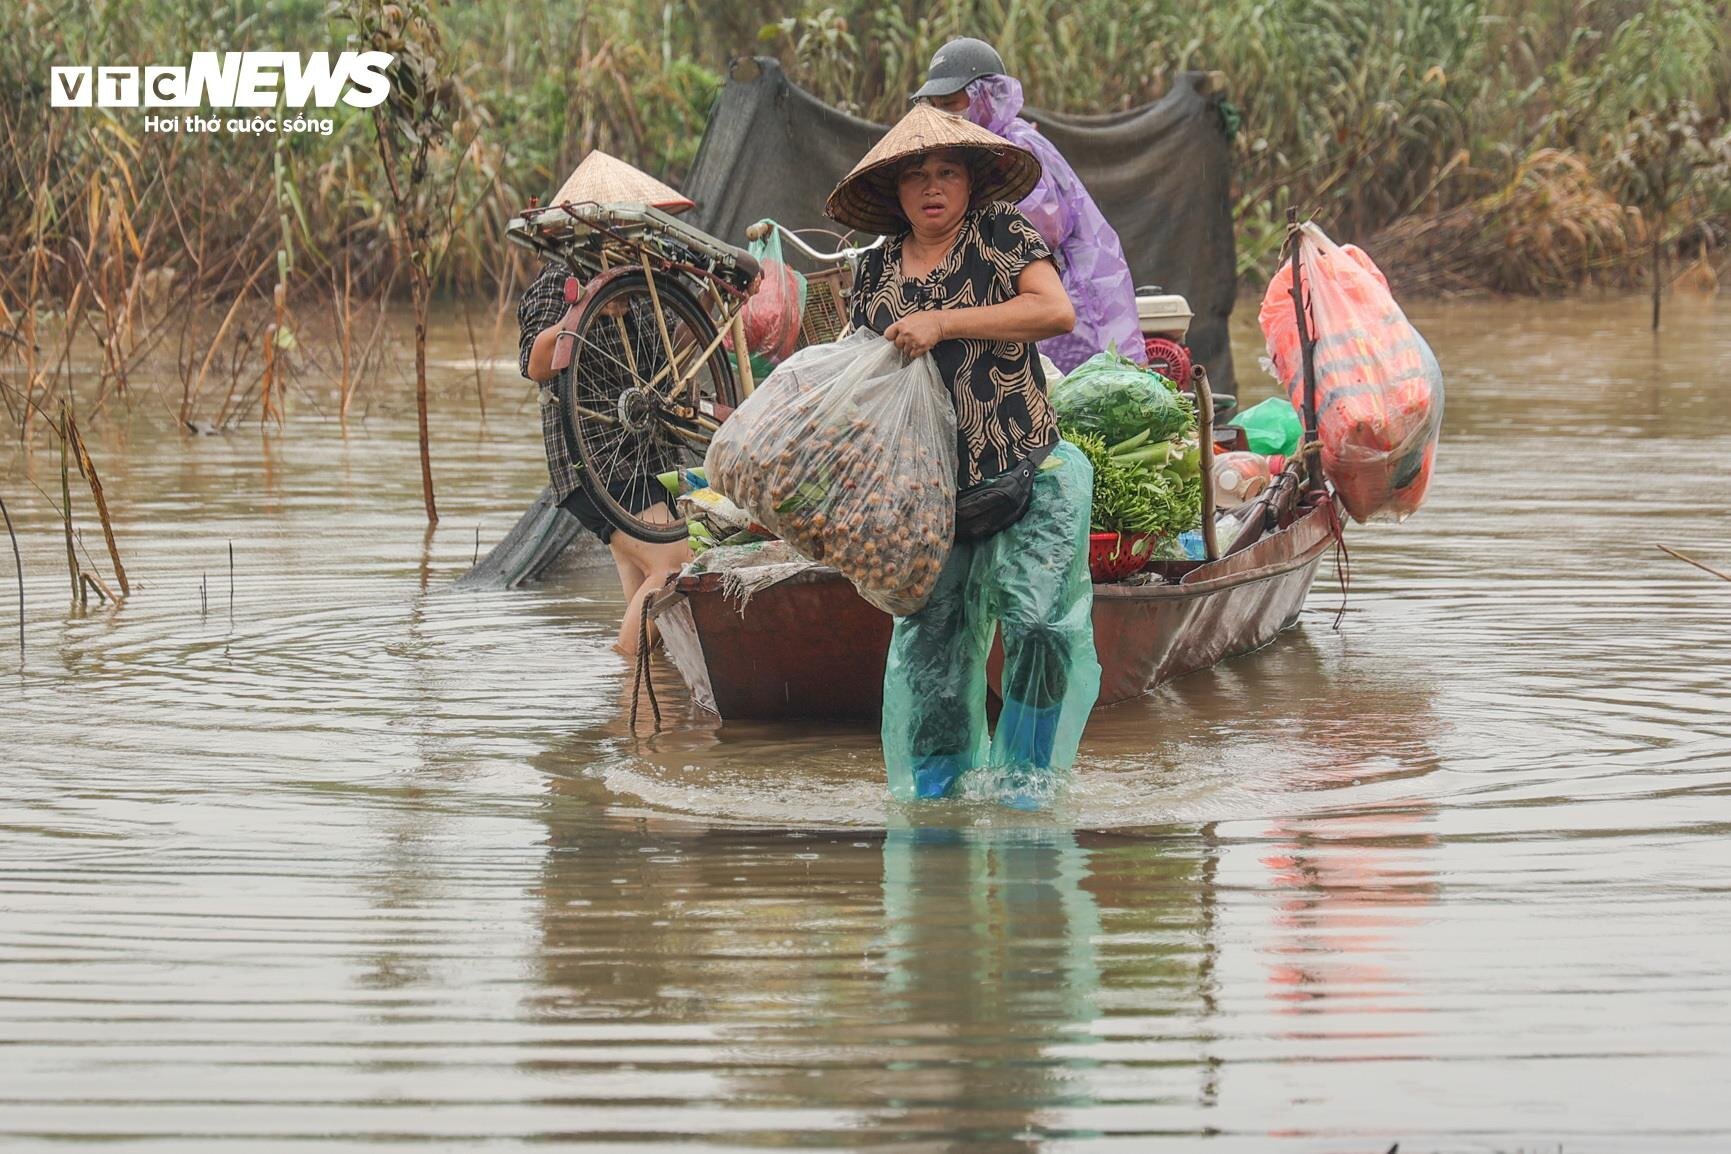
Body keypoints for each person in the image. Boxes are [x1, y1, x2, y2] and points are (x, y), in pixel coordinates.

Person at [826, 102, 1102, 803]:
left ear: (971, 181)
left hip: (1026, 468)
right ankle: (938, 795)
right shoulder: (876, 267)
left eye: (946, 172)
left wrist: (942, 322)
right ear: (894, 192)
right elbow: (857, 367)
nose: (931, 187)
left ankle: (1027, 781)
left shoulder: (1000, 233)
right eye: (915, 176)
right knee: (934, 658)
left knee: (1038, 623)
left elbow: (1053, 311)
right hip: (927, 492)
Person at [517, 151, 699, 657]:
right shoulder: (558, 283)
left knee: (647, 586)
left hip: (642, 460)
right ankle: (624, 694)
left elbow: (657, 372)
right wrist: (583, 308)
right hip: (596, 461)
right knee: (673, 567)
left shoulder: (636, 288)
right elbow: (537, 363)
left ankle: (639, 713)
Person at [911, 37, 1144, 374]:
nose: (946, 115)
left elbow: (1041, 233)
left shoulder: (1016, 148)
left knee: (1084, 398)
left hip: (1071, 294)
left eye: (951, 103)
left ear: (986, 95)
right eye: (937, 106)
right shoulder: (969, 154)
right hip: (1032, 296)